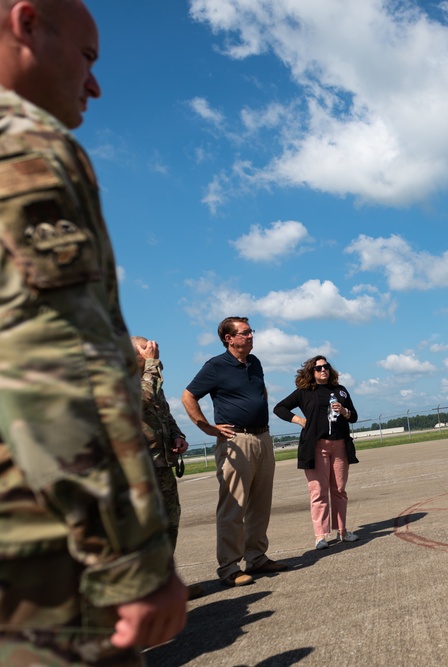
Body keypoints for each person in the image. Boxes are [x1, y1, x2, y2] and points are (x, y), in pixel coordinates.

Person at [0, 1, 186, 664]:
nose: (96, 83)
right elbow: (52, 367)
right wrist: (131, 560)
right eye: (87, 57)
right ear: (26, 23)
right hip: (41, 551)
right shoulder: (25, 146)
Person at [182, 317, 287, 587]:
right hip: (235, 440)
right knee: (233, 506)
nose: (251, 336)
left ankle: (257, 557)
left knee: (260, 503)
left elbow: (260, 390)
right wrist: (206, 427)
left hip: (262, 436)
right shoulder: (215, 366)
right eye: (245, 332)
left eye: (252, 331)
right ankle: (229, 567)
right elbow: (188, 396)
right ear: (229, 338)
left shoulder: (255, 362)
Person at [132, 336, 205, 600]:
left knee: (169, 525)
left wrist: (178, 436)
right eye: (146, 349)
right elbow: (141, 400)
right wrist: (152, 365)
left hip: (162, 466)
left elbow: (164, 413)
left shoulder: (153, 381)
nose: (153, 352)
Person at [273, 356, 360, 550]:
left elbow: (353, 416)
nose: (323, 370)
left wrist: (344, 411)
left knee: (339, 489)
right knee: (318, 492)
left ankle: (343, 531)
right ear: (311, 371)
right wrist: (300, 421)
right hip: (316, 447)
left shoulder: (340, 390)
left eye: (326, 367)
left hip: (340, 446)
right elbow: (279, 408)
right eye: (318, 368)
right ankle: (320, 536)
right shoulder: (305, 392)